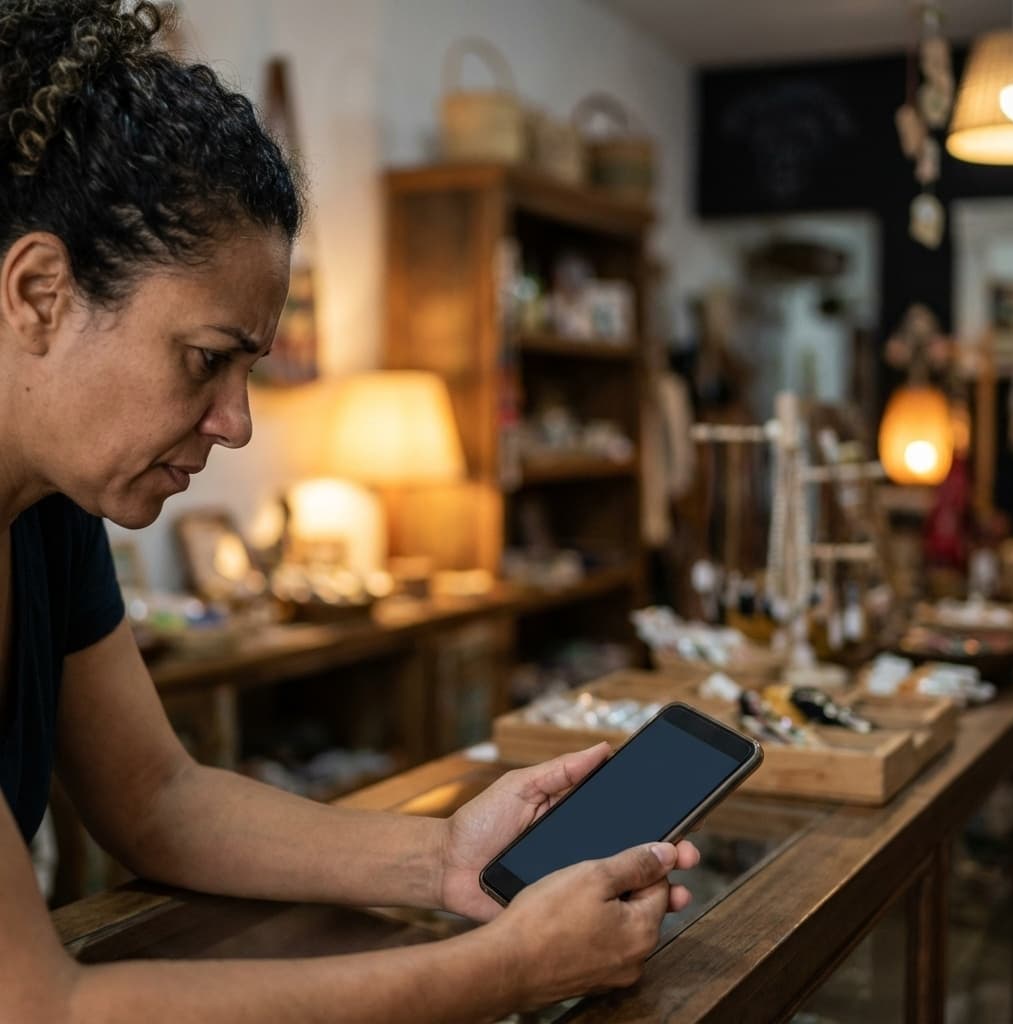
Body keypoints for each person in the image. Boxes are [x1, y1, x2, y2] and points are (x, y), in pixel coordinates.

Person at [0, 3, 702, 1021]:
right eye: (206, 359)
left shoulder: (48, 510)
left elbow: (157, 797)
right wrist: (503, 969)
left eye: (247, 369)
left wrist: (445, 853)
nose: (236, 422)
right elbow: (39, 1007)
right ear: (38, 294)